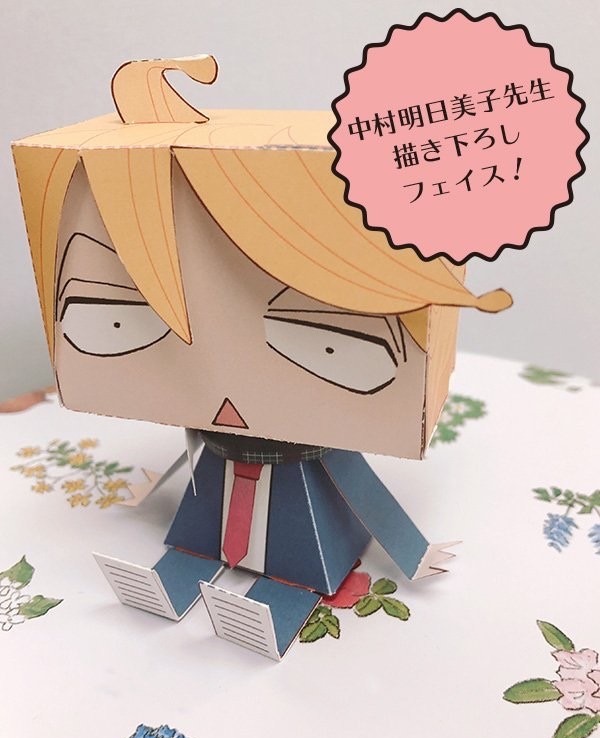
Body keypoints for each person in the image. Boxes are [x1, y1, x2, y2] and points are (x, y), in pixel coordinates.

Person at [13, 56, 512, 659]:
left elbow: (365, 493)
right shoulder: (211, 427)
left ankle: (279, 606)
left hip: (299, 496)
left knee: (298, 563)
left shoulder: (316, 442)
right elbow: (187, 448)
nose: (228, 394)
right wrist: (147, 488)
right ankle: (174, 581)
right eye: (114, 318)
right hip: (213, 485)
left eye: (332, 343)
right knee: (194, 542)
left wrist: (413, 553)